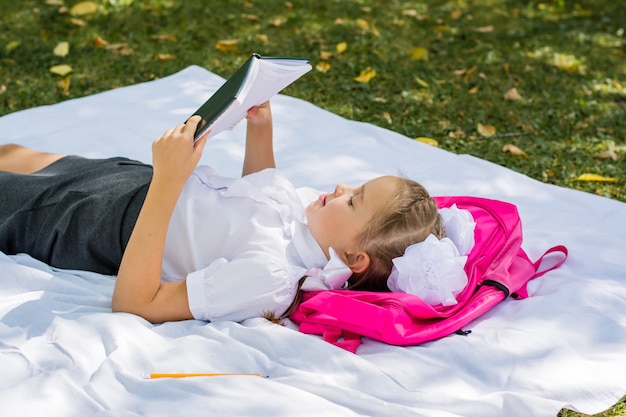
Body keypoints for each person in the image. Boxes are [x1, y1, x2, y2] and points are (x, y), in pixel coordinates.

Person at [0, 102, 444, 324]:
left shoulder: (270, 278)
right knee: (15, 154)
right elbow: (259, 192)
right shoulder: (307, 221)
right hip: (135, 182)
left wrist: (169, 181)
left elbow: (136, 303)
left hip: (96, 219)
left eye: (355, 199)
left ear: (353, 258)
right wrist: (261, 127)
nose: (341, 188)